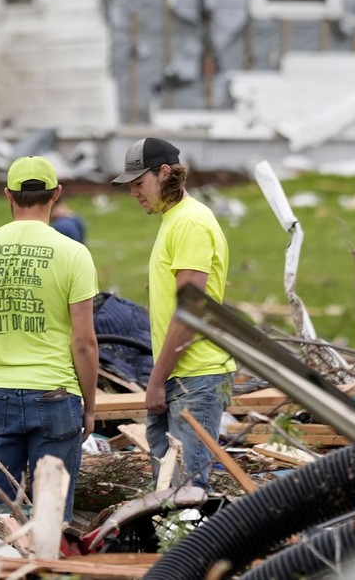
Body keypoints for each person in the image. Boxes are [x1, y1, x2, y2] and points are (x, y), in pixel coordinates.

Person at [0, 157, 99, 521]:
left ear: (8, 196)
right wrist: (91, 406)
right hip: (56, 393)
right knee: (51, 518)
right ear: (56, 194)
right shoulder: (74, 253)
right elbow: (84, 342)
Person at [111, 137, 235, 489]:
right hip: (180, 376)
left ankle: (193, 546)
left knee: (186, 495)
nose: (134, 193)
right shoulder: (174, 219)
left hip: (196, 377)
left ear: (164, 173)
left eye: (139, 184)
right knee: (167, 493)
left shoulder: (190, 223)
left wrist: (155, 380)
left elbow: (190, 313)